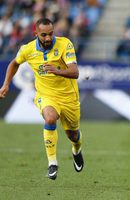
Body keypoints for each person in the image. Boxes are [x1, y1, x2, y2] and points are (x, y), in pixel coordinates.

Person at [0, 18, 84, 180]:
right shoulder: (28, 49)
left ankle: (76, 149)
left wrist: (56, 70)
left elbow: (75, 72)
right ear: (36, 34)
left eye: (51, 34)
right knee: (50, 118)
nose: (48, 38)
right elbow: (14, 63)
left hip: (68, 97)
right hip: (46, 95)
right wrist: (5, 85)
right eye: (44, 34)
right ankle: (52, 163)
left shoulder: (65, 44)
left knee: (73, 135)